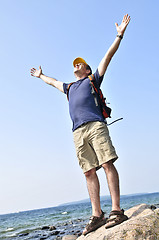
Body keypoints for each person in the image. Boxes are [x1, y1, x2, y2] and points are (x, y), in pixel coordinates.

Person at [30, 14, 131, 235]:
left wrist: (119, 35)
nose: (76, 65)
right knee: (88, 172)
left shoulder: (92, 79)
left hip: (95, 126)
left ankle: (116, 210)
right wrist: (40, 75)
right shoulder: (69, 87)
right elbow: (53, 82)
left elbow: (108, 56)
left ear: (87, 69)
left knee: (106, 164)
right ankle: (97, 215)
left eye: (80, 63)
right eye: (74, 64)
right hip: (77, 132)